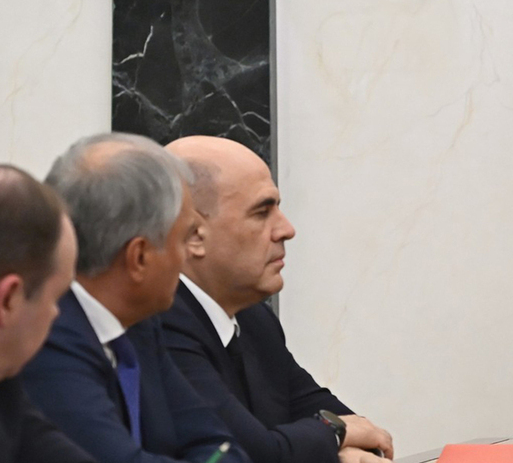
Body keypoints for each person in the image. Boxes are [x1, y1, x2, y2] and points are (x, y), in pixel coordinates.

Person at [160, 135, 393, 463]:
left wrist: (337, 442)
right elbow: (248, 452)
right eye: (261, 212)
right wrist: (333, 440)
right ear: (194, 235)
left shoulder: (254, 319)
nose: (286, 229)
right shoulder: (160, 321)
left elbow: (356, 428)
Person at [18, 133, 250, 463]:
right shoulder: (47, 339)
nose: (187, 256)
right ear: (139, 257)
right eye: (184, 238)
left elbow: (220, 445)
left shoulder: (140, 322)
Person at [0, 163, 94, 462]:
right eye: (57, 298)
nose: (56, 314)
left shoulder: (3, 378)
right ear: (9, 299)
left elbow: (39, 442)